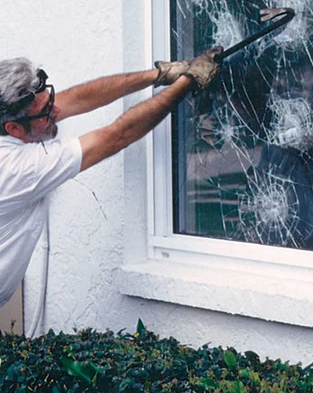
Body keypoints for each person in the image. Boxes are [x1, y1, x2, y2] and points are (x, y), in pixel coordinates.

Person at [0, 49, 222, 307]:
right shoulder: (17, 169)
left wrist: (159, 75)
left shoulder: (16, 123)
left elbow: (76, 98)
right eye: (47, 112)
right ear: (14, 128)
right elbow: (118, 136)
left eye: (50, 101)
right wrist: (188, 81)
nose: (57, 110)